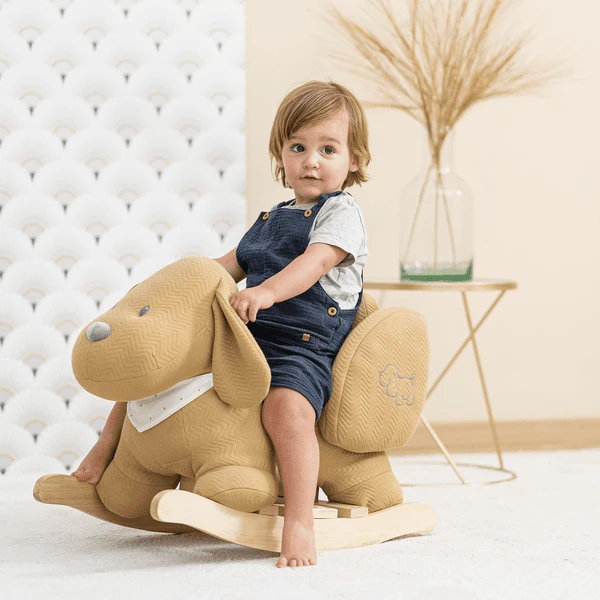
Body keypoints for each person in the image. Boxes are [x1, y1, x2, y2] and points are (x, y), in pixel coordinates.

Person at [72, 79, 370, 570]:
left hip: (302, 345)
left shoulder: (341, 213)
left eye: (328, 149)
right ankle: (106, 447)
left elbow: (315, 262)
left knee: (287, 410)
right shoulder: (272, 217)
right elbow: (224, 266)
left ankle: (299, 521)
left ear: (353, 159)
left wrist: (267, 291)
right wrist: (173, 287)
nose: (311, 161)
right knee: (158, 362)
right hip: (250, 333)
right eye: (298, 147)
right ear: (280, 155)